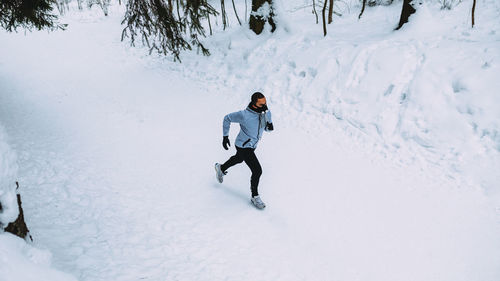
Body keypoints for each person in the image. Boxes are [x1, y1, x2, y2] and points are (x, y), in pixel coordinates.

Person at [215, 92, 274, 209]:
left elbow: (266, 128)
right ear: (254, 104)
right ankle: (255, 197)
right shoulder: (244, 115)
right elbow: (227, 118)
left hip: (252, 145)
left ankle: (220, 168)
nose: (265, 106)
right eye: (261, 104)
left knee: (239, 159)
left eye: (265, 103)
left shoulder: (265, 113)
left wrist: (269, 125)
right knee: (257, 171)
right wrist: (225, 136)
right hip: (243, 146)